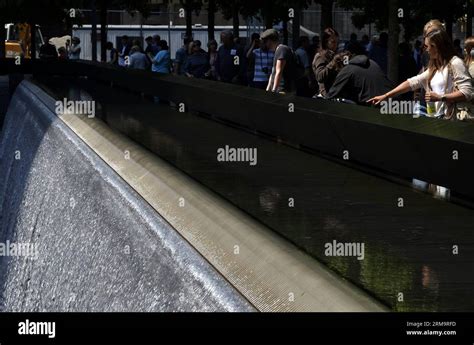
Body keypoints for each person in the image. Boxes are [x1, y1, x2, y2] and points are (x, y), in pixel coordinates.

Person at [368, 29, 473, 120]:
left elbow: (468, 92)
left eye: (427, 46)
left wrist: (440, 97)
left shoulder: (455, 63)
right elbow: (412, 82)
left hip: (451, 120)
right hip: (436, 119)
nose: (426, 50)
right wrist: (386, 96)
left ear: (436, 47)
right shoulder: (435, 67)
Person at [325, 42, 394, 104]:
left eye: (344, 53)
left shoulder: (348, 69)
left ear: (348, 55)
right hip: (392, 101)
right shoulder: (372, 63)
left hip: (374, 106)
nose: (343, 55)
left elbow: (331, 94)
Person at [261, 29, 304, 94]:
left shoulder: (282, 49)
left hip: (283, 90)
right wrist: (268, 90)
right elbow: (273, 72)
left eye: (265, 41)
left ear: (269, 41)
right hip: (279, 90)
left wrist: (273, 91)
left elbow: (279, 71)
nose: (265, 44)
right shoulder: (278, 51)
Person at [312, 27, 339, 96]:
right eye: (333, 42)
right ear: (325, 42)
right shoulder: (320, 56)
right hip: (326, 95)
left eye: (337, 42)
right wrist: (334, 62)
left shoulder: (333, 54)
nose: (336, 44)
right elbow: (320, 77)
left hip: (335, 93)